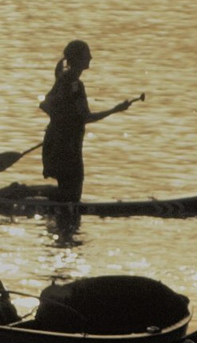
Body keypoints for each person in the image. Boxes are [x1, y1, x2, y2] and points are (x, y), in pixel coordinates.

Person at [36, 39, 139, 214]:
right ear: (78, 59)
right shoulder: (72, 84)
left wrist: (61, 121)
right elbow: (85, 117)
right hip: (66, 147)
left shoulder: (65, 79)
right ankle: (24, 192)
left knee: (69, 193)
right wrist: (115, 110)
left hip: (62, 142)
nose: (91, 57)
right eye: (87, 54)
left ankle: (31, 196)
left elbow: (47, 105)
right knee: (71, 195)